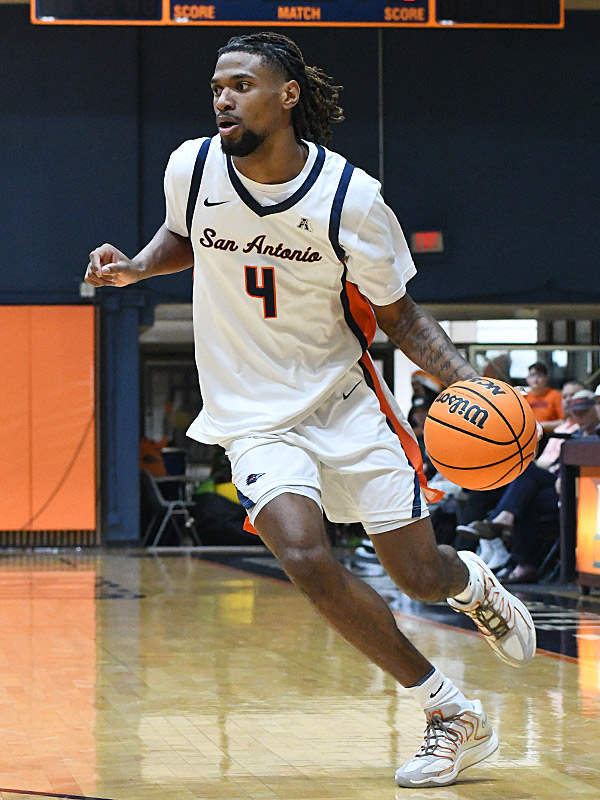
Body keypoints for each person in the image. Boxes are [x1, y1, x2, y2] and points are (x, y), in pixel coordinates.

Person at [84, 32, 536, 788]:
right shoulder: (191, 167)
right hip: (252, 414)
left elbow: (401, 318)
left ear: (287, 94)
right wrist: (135, 266)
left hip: (343, 402)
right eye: (216, 87)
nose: (222, 98)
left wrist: (466, 383)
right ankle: (448, 710)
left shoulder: (350, 199)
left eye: (241, 84)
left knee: (420, 576)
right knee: (302, 552)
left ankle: (472, 587)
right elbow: (182, 235)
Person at [523, 361, 564, 433]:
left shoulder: (555, 395)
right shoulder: (523, 397)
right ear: (527, 379)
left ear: (546, 378)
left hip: (549, 434)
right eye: (532, 375)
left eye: (539, 376)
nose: (535, 380)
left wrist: (542, 425)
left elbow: (564, 421)